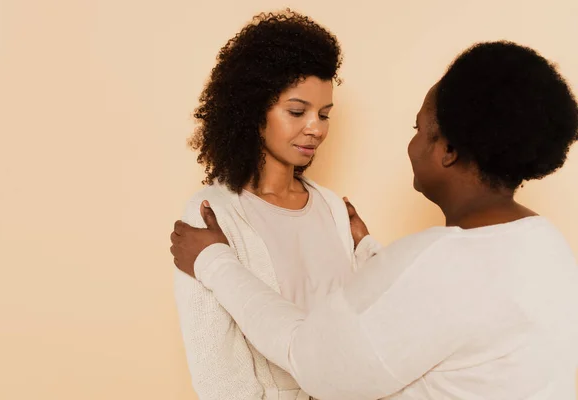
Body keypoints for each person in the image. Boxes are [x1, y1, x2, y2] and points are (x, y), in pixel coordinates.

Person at [171, 41, 578, 400]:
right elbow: (219, 367)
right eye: (297, 110)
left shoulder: (403, 246)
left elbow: (318, 359)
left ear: (448, 149)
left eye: (419, 129)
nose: (314, 127)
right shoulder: (547, 246)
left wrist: (215, 262)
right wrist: (369, 253)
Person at [173, 9, 372, 400]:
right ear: (252, 110)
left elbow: (365, 331)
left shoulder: (333, 209)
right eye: (297, 111)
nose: (315, 127)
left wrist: (367, 252)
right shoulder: (213, 216)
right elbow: (217, 375)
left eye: (324, 114)